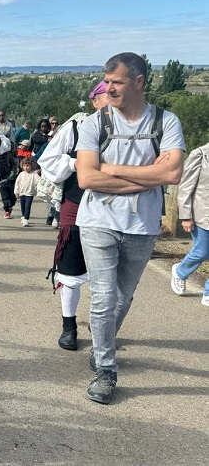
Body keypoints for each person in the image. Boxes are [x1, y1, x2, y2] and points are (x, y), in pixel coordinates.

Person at [75, 52, 184, 405]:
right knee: (104, 297)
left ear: (139, 82)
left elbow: (171, 174)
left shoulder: (166, 122)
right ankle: (106, 369)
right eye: (107, 82)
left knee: (123, 297)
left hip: (142, 224)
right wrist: (145, 177)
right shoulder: (95, 124)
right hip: (98, 222)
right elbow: (86, 177)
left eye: (117, 82)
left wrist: (110, 170)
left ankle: (102, 339)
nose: (109, 89)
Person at [38, 81, 109, 351]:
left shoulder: (130, 129)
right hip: (76, 204)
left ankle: (100, 322)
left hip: (112, 208)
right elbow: (49, 161)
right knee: (70, 269)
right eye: (107, 95)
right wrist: (74, 162)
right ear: (95, 100)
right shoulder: (77, 126)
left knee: (107, 272)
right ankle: (69, 326)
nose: (114, 100)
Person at [171, 139, 209, 306]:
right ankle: (180, 272)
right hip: (203, 214)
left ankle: (208, 292)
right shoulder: (200, 155)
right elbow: (186, 186)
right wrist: (186, 216)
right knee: (201, 252)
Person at [14, 157, 40, 226]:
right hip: (22, 193)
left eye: (28, 166)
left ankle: (26, 218)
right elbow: (17, 183)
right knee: (22, 206)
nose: (26, 167)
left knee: (27, 206)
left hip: (30, 193)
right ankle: (23, 216)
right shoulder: (21, 174)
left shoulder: (34, 174)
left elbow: (39, 181)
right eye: (24, 166)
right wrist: (17, 192)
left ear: (32, 166)